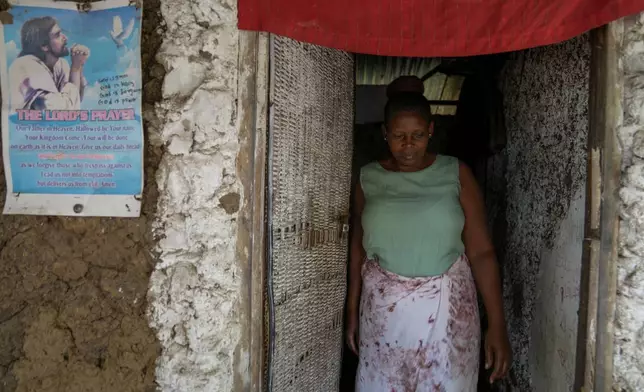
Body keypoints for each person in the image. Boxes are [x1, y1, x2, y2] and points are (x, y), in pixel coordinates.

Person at [346, 92, 511, 391]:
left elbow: (482, 252)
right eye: (399, 135)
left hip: (446, 317)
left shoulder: (455, 172)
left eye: (418, 135)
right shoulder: (367, 178)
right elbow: (358, 249)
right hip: (385, 319)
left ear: (431, 131)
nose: (408, 145)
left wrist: (497, 324)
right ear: (385, 133)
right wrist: (351, 309)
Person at [9, 16, 90, 111]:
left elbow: (75, 99)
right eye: (57, 35)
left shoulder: (60, 64)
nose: (65, 38)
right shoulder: (25, 66)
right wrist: (75, 68)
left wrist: (78, 66)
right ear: (44, 46)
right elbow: (66, 111)